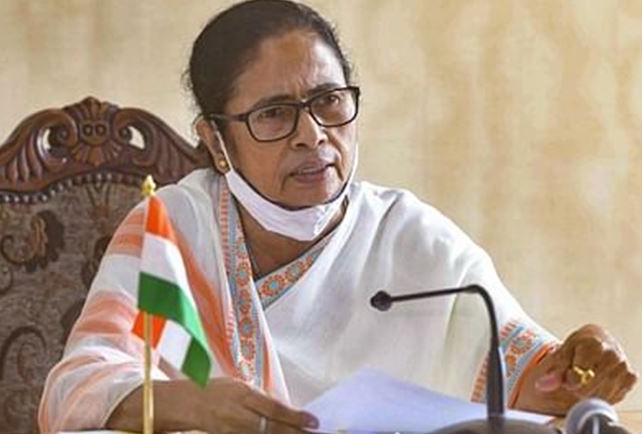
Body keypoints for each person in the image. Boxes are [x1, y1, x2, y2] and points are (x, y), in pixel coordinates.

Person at [38, 1, 638, 433]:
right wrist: (188, 403)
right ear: (216, 141)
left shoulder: (410, 236)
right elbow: (73, 390)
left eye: (328, 102)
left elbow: (530, 384)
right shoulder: (173, 228)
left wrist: (581, 369)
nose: (312, 135)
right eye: (274, 114)